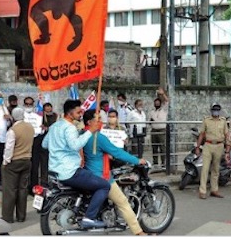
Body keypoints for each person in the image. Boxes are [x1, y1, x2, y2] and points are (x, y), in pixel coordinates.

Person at [42, 99, 110, 229]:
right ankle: (89, 218)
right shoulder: (70, 128)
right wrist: (90, 131)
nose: (80, 115)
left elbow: (44, 144)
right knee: (104, 186)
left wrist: (59, 145)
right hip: (70, 171)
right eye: (78, 112)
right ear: (70, 113)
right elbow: (75, 146)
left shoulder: (55, 126)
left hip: (54, 170)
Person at [82, 110, 149, 236]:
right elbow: (117, 152)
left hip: (87, 173)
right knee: (123, 203)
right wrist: (137, 160)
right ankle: (139, 232)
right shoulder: (98, 137)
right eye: (98, 119)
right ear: (89, 122)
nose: (101, 122)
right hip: (101, 175)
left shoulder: (82, 134)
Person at [1, 108, 35, 223]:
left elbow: (9, 148)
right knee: (22, 189)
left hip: (14, 161)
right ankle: (21, 216)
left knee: (10, 190)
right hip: (27, 160)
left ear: (13, 117)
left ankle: (8, 217)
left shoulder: (13, 130)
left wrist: (5, 162)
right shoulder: (30, 127)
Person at [195, 102, 227, 200]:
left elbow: (226, 134)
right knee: (205, 169)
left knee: (216, 169)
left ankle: (214, 190)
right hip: (208, 145)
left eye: (217, 109)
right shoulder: (206, 120)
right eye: (214, 109)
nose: (215, 111)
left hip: (219, 145)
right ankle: (202, 191)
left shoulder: (223, 121)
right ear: (211, 110)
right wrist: (197, 147)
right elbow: (202, 134)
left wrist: (228, 148)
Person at [22, 96, 43, 192]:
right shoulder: (21, 115)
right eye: (27, 104)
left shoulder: (37, 116)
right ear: (24, 104)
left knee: (35, 165)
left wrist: (42, 128)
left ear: (33, 105)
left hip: (35, 141)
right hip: (24, 141)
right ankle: (23, 187)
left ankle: (33, 187)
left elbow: (40, 130)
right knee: (24, 165)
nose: (28, 106)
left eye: (30, 104)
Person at [38, 102, 58, 185]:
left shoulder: (55, 116)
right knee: (44, 162)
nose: (48, 108)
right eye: (46, 107)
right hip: (44, 140)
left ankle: (53, 181)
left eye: (49, 106)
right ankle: (44, 181)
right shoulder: (40, 116)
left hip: (54, 141)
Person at [149, 87, 169, 167]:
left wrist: (163, 94)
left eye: (158, 103)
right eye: (155, 103)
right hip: (154, 130)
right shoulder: (152, 112)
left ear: (160, 103)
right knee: (154, 147)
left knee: (162, 147)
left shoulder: (164, 110)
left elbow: (167, 101)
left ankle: (163, 162)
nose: (157, 104)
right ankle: (155, 162)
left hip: (161, 130)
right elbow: (150, 121)